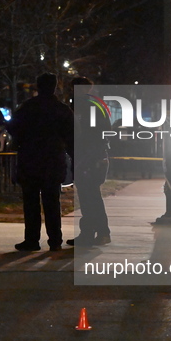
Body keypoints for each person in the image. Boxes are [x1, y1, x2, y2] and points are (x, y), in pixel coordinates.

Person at [6, 72, 74, 251]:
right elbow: (72, 136)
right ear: (55, 86)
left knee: (31, 203)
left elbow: (13, 127)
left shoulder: (28, 107)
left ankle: (32, 239)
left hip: (31, 160)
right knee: (52, 202)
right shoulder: (62, 110)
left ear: (38, 86)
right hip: (53, 160)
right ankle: (55, 240)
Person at [67, 77, 111, 247]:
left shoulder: (84, 106)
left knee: (89, 196)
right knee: (91, 196)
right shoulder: (96, 104)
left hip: (88, 158)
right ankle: (98, 232)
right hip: (94, 156)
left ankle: (93, 233)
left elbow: (84, 133)